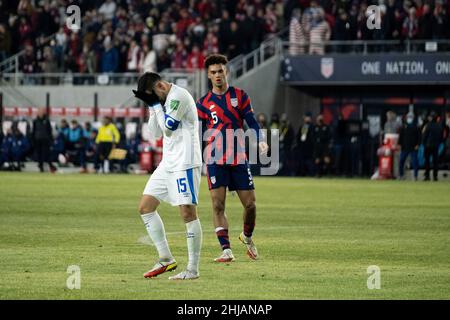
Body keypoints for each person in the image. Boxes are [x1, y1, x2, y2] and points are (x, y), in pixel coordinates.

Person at [196, 54, 268, 263]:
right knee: (218, 206)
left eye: (220, 71)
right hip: (215, 158)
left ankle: (246, 237)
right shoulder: (203, 104)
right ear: (208, 76)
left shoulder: (240, 96)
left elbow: (252, 123)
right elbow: (198, 133)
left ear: (226, 71)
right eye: (213, 72)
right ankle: (226, 250)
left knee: (251, 205)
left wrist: (260, 140)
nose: (217, 75)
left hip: (238, 157)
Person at [133, 72, 203, 280]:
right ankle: (165, 258)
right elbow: (155, 133)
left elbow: (169, 129)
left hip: (185, 162)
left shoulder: (179, 96)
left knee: (188, 213)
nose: (154, 100)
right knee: (145, 207)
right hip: (168, 162)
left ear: (161, 86)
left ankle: (192, 269)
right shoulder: (161, 101)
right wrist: (152, 106)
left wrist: (156, 106)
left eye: (153, 95)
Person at [422, 112, 444, 181]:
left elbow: (424, 136)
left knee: (427, 161)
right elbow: (441, 137)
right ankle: (435, 176)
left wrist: (424, 143)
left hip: (428, 146)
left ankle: (427, 176)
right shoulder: (439, 126)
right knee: (435, 162)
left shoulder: (428, 125)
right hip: (436, 146)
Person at [398, 113, 421, 180]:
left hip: (413, 147)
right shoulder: (404, 126)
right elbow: (401, 136)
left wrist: (418, 144)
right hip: (405, 147)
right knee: (401, 161)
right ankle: (401, 175)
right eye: (408, 117)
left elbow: (419, 137)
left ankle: (415, 176)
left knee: (415, 162)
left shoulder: (417, 127)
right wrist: (399, 144)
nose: (409, 118)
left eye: (411, 117)